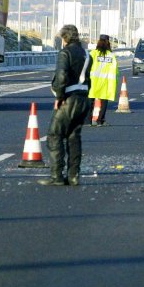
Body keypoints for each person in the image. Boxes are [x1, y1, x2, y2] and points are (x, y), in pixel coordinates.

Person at [39, 24, 92, 186]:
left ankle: (57, 176)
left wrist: (60, 96)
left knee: (54, 135)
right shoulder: (86, 54)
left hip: (69, 99)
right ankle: (74, 175)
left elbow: (61, 76)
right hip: (84, 98)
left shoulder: (65, 53)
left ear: (65, 38)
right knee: (74, 137)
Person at [88, 34, 119, 127]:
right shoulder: (111, 56)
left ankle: (88, 120)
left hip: (93, 82)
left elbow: (87, 67)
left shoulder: (93, 53)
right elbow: (115, 71)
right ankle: (100, 120)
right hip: (106, 82)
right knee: (104, 102)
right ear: (108, 43)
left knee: (90, 101)